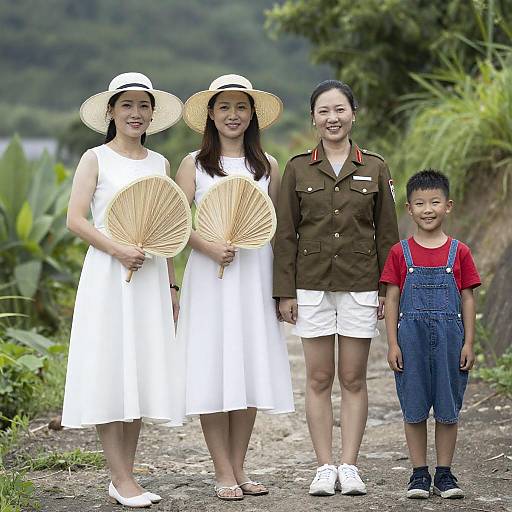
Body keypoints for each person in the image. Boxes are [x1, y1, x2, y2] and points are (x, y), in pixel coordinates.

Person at [62, 72, 184, 508]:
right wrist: (118, 251)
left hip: (149, 277)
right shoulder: (94, 158)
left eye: (143, 105)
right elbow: (76, 219)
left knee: (140, 370)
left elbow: (168, 226)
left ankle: (125, 477)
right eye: (127, 105)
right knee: (112, 368)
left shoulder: (159, 164)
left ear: (152, 113)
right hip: (109, 276)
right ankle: (120, 476)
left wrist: (171, 284)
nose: (136, 113)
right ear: (111, 111)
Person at [273, 79, 399, 497]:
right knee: (318, 377)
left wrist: (387, 290)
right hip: (310, 286)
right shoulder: (297, 168)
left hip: (361, 286)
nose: (333, 118)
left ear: (353, 114)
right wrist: (285, 292)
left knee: (354, 378)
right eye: (324, 111)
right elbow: (286, 234)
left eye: (340, 110)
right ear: (313, 118)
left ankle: (350, 465)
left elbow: (388, 236)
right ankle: (324, 466)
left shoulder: (375, 167)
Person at [174, 74, 294, 501]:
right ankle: (221, 469)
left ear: (252, 114)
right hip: (209, 279)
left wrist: (284, 291)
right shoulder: (195, 164)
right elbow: (173, 220)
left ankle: (240, 467)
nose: (233, 115)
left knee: (249, 365)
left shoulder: (269, 166)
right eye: (224, 107)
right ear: (211, 113)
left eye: (241, 107)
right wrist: (207, 245)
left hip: (255, 277)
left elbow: (277, 230)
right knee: (212, 365)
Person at [381, 169, 480, 499]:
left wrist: (468, 341)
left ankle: (445, 474)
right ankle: (419, 473)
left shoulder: (459, 252)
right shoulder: (400, 253)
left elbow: (467, 298)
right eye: (419, 203)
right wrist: (393, 343)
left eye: (435, 202)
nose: (427, 209)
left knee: (448, 406)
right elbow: (392, 298)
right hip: (410, 339)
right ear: (409, 209)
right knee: (414, 405)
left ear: (447, 206)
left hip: (451, 339)